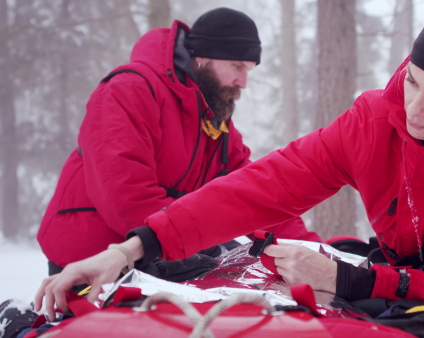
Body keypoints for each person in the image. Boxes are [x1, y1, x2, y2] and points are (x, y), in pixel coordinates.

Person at [36, 1, 424, 337]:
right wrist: (129, 249)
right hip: (418, 278)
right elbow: (260, 189)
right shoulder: (376, 119)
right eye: (412, 81)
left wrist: (347, 277)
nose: (415, 110)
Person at [36, 7, 320, 276]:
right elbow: (126, 200)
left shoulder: (214, 122)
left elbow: (255, 195)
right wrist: (201, 240)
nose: (243, 81)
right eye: (237, 66)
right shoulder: (129, 91)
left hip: (160, 254)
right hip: (91, 262)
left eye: (248, 70)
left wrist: (317, 251)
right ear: (202, 58)